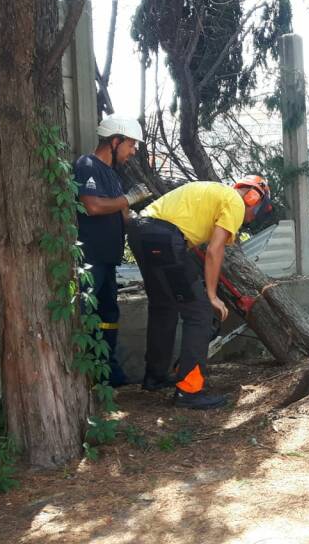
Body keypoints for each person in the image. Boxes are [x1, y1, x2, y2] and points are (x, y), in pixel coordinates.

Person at [127, 175, 272, 410]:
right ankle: (189, 390)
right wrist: (212, 296)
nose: (251, 219)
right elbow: (215, 251)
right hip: (164, 237)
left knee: (164, 307)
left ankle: (155, 377)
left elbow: (190, 245)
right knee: (200, 313)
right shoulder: (235, 202)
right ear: (254, 198)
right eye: (257, 212)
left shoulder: (215, 194)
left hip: (141, 231)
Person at [74, 115, 151, 387]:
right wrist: (128, 199)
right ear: (115, 140)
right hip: (89, 258)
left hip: (108, 259)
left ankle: (109, 373)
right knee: (84, 314)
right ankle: (83, 377)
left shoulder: (114, 177)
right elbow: (92, 206)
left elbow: (124, 215)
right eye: (130, 144)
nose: (132, 152)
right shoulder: (87, 166)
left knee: (109, 315)